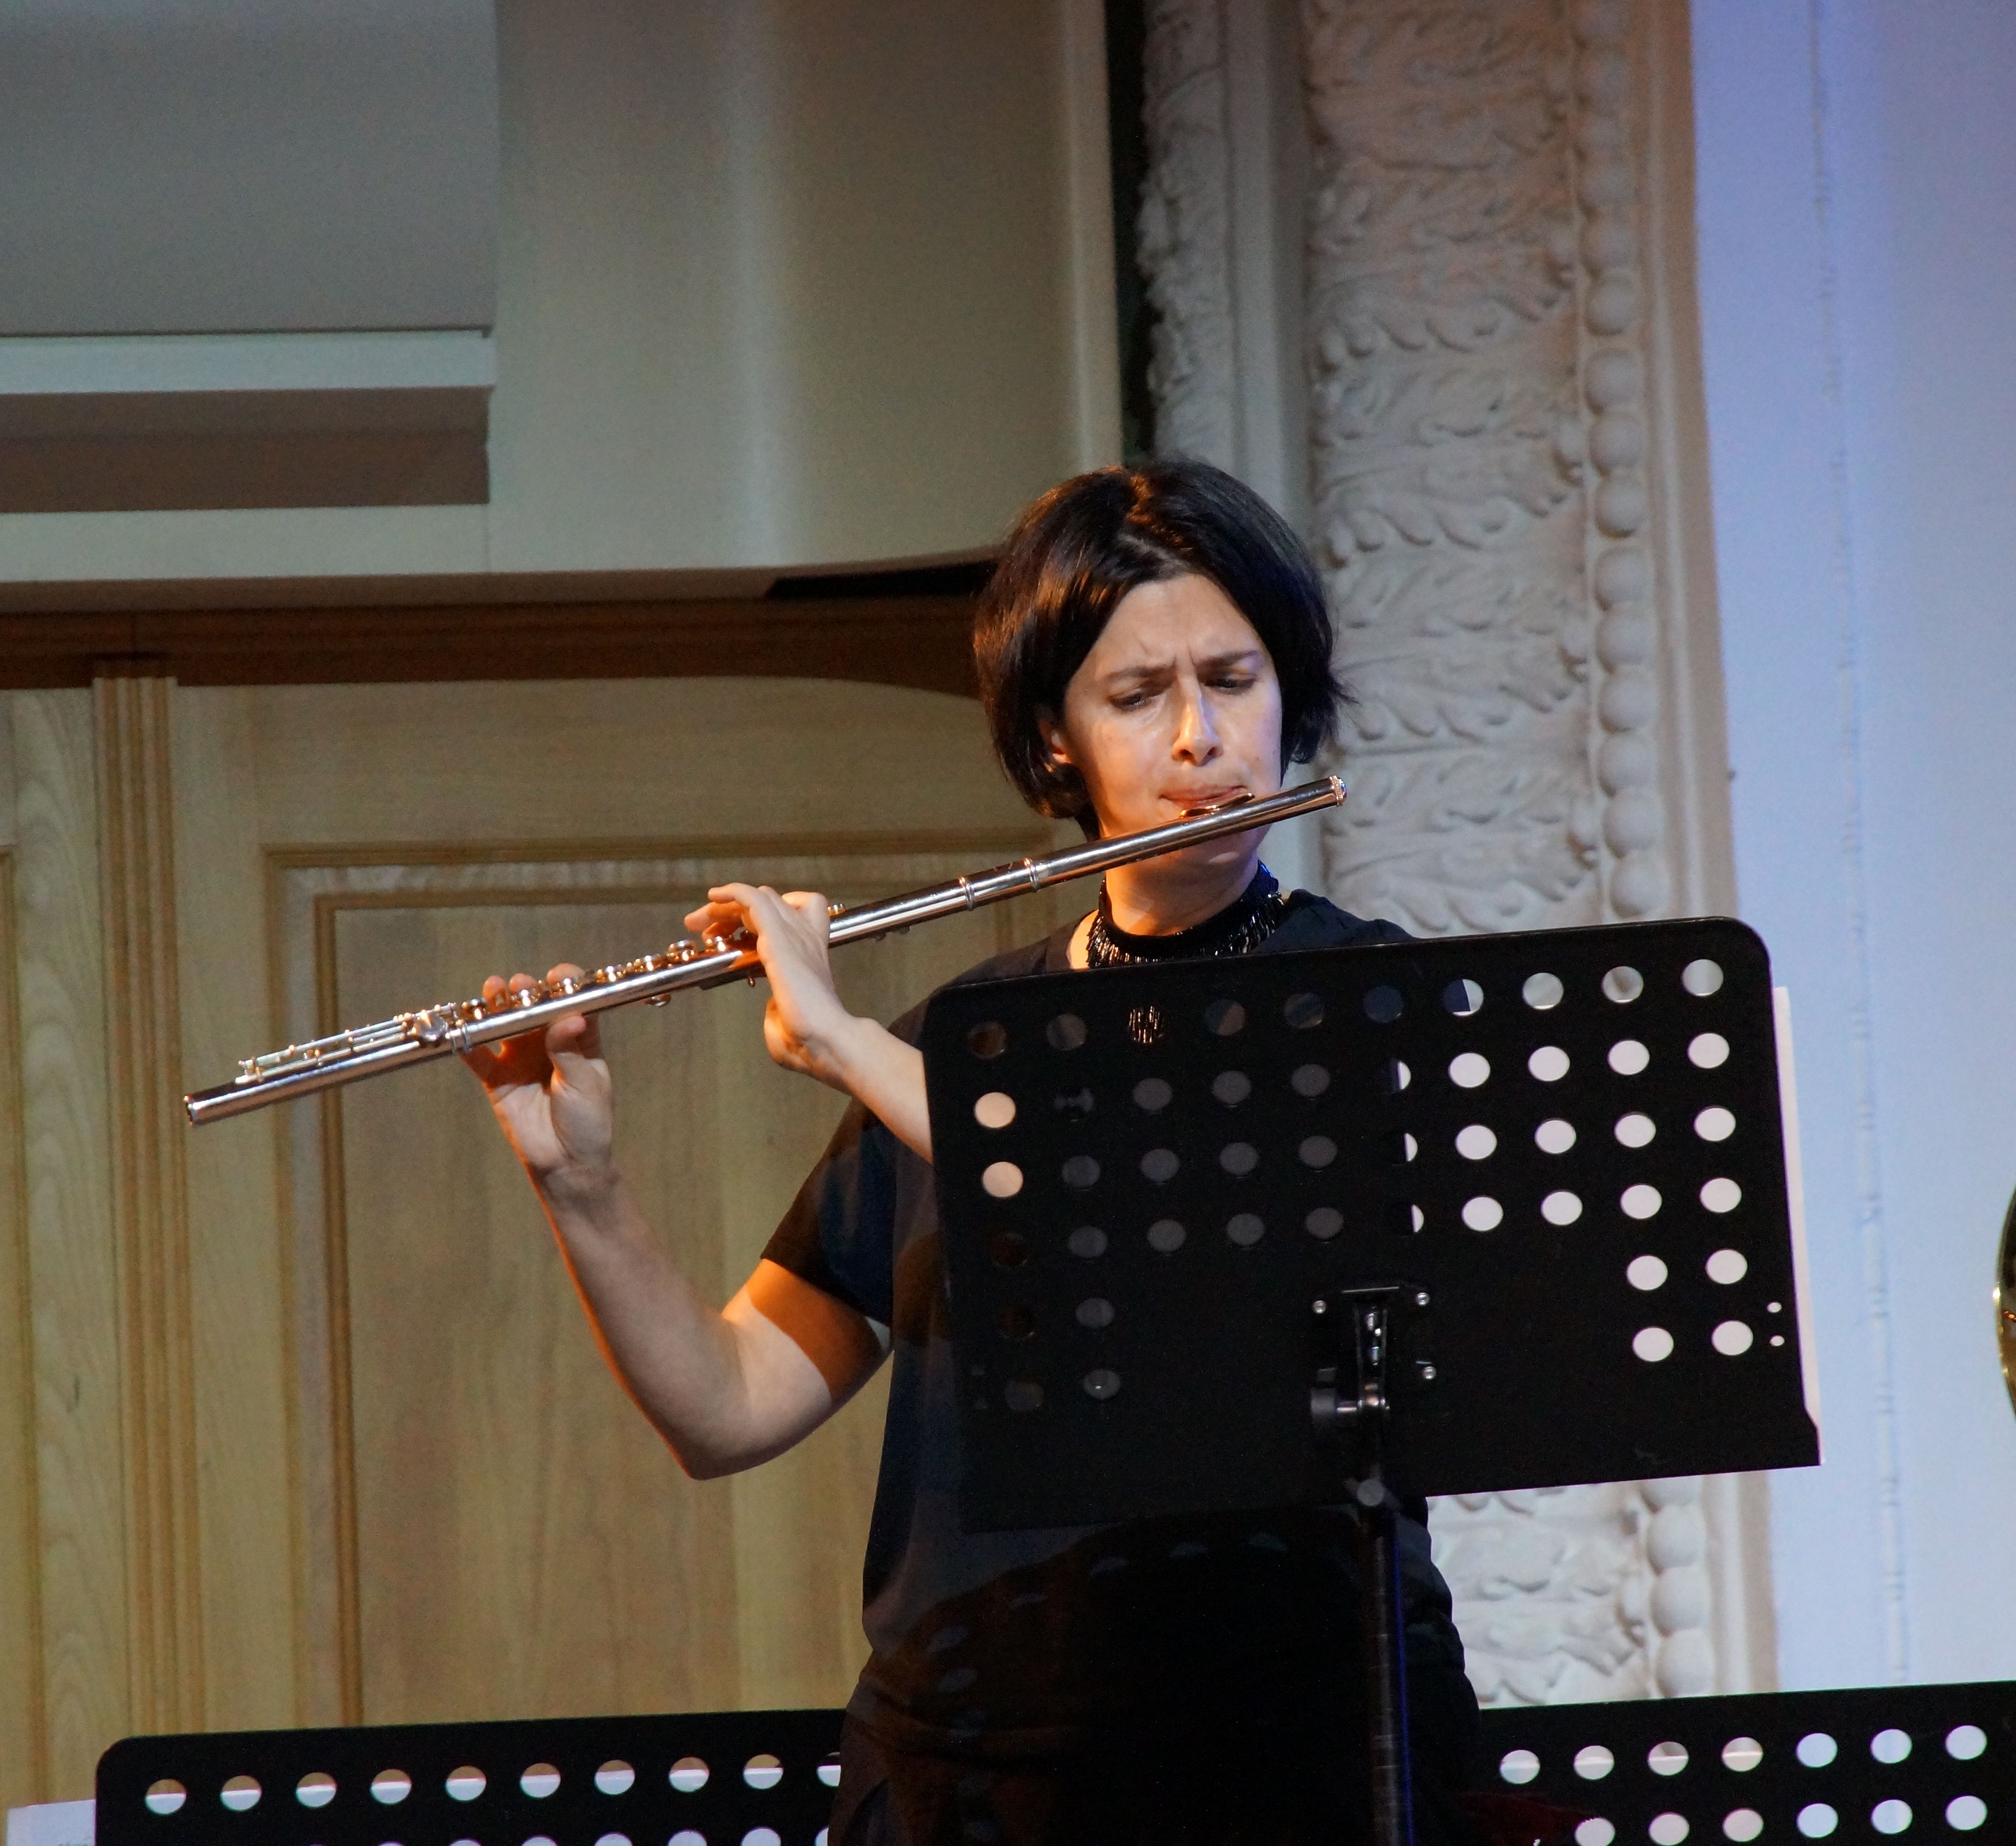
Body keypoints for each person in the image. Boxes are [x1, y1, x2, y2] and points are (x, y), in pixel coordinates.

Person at [463, 460, 1483, 1844]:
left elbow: (1140, 1212)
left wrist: (841, 1041)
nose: (1202, 738)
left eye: (1234, 681)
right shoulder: (969, 1039)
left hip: (1285, 1760)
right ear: (1058, 742)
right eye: (1138, 697)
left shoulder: (1362, 1001)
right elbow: (727, 1408)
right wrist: (579, 1184)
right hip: (966, 1766)